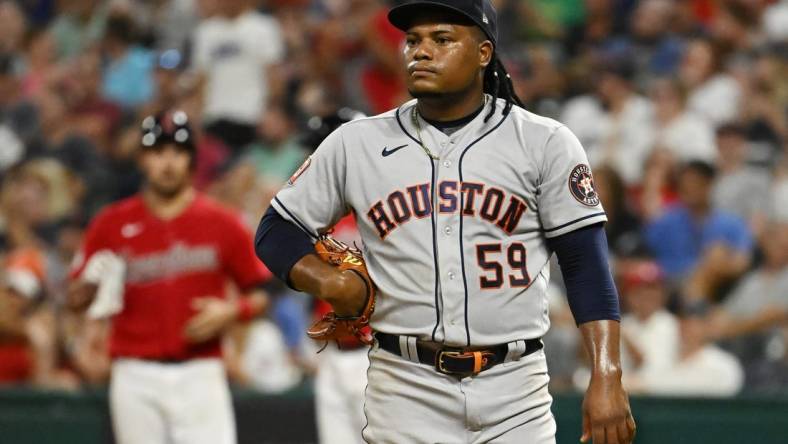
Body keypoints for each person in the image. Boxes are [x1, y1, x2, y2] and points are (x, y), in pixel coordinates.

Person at [256, 1, 635, 443]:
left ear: (483, 53)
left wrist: (606, 373)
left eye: (442, 39)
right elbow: (275, 229)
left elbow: (585, 267)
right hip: (406, 387)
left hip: (516, 389)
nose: (421, 51)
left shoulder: (544, 142)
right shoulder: (356, 143)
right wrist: (328, 283)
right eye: (413, 41)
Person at [67, 111, 270, 444]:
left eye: (178, 152)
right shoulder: (110, 224)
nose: (168, 162)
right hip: (134, 373)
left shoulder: (222, 222)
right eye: (158, 152)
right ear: (143, 159)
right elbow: (74, 298)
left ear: (190, 159)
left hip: (200, 370)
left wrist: (233, 312)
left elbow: (262, 294)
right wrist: (88, 290)